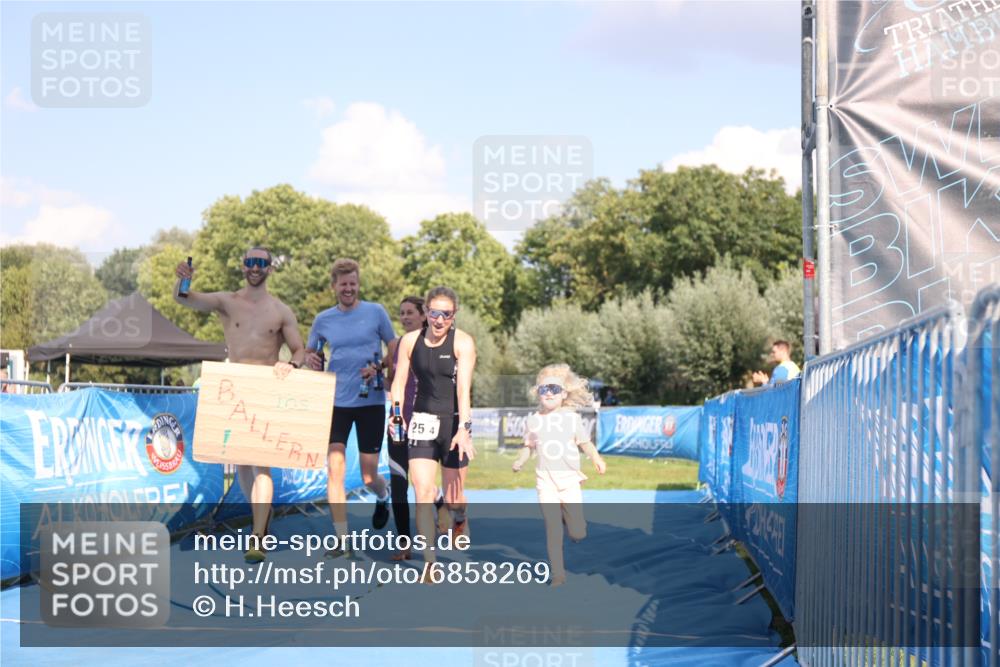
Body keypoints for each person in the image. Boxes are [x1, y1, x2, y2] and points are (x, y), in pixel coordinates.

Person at [174, 246, 306, 563]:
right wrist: (182, 281)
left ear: (270, 268)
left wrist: (293, 365)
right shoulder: (228, 301)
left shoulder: (280, 310)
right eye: (250, 262)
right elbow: (184, 299)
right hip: (234, 390)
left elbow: (299, 349)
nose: (255, 267)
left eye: (261, 262)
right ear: (243, 266)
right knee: (244, 463)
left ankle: (258, 536)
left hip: (265, 388)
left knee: (262, 463)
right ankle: (261, 516)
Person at [305, 258, 396, 557]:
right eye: (343, 284)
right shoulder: (323, 320)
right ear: (334, 287)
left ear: (358, 285)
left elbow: (394, 347)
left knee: (370, 476)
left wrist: (381, 366)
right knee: (335, 469)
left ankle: (383, 495)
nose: (348, 288)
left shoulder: (376, 312)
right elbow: (311, 352)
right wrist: (312, 360)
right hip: (336, 402)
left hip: (370, 401)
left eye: (353, 283)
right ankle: (342, 541)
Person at [390, 286, 476, 576]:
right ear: (426, 312)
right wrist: (395, 414)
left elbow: (464, 390)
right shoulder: (409, 342)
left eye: (447, 314)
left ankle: (460, 518)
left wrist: (464, 429)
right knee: (422, 491)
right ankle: (430, 562)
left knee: (454, 500)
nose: (440, 320)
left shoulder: (462, 343)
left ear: (454, 315)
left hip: (453, 423)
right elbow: (399, 382)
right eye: (435, 313)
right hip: (422, 421)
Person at [512, 364, 606, 587]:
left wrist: (596, 459)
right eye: (544, 389)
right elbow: (528, 446)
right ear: (538, 392)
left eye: (554, 388)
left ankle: (571, 521)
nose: (549, 393)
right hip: (545, 482)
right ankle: (558, 574)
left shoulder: (571, 418)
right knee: (552, 529)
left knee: (578, 533)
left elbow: (585, 443)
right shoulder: (533, 420)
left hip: (570, 481)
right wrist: (520, 460)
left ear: (564, 393)